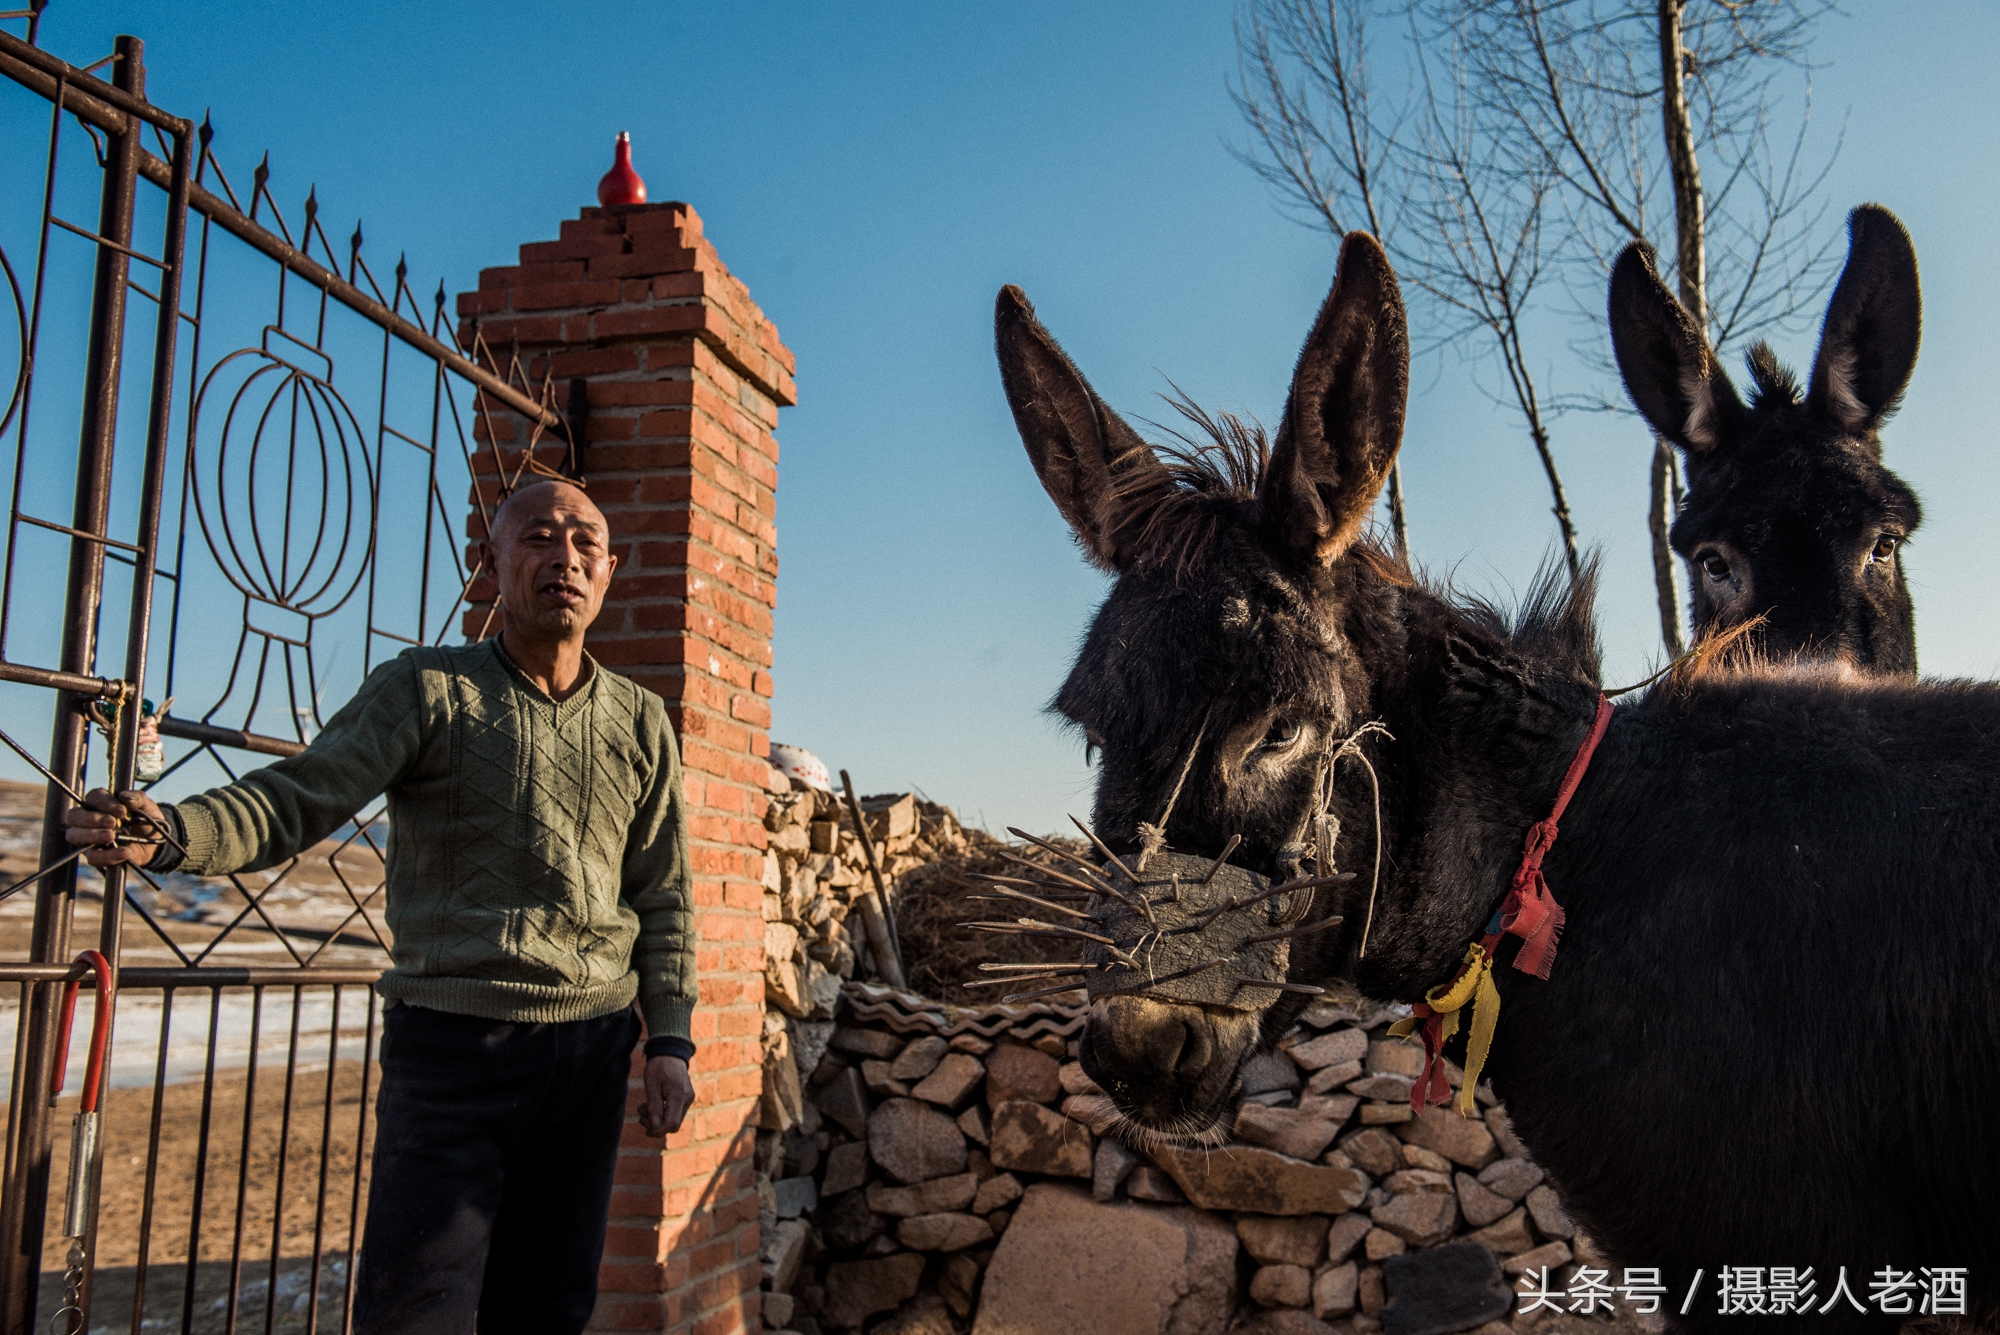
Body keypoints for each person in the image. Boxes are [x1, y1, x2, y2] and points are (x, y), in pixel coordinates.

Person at [65, 478, 698, 1335]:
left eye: (586, 543)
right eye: (539, 537)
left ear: (612, 570)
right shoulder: (427, 688)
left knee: (549, 1308)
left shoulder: (640, 720)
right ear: (492, 562)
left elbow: (664, 895)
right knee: (414, 1311)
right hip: (453, 1049)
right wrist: (175, 831)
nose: (565, 559)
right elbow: (302, 795)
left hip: (589, 1054)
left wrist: (669, 1039)